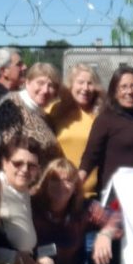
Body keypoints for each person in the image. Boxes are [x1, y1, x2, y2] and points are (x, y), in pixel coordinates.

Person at [33, 158, 120, 264]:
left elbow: (117, 218)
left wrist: (106, 234)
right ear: (45, 182)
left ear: (75, 187)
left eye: (67, 180)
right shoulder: (33, 206)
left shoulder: (84, 208)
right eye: (55, 180)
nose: (61, 185)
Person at [80, 66, 133, 199]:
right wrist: (76, 186)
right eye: (123, 87)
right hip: (113, 194)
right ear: (114, 92)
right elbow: (90, 157)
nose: (129, 91)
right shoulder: (105, 119)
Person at [50, 64, 103, 197]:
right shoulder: (54, 110)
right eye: (80, 82)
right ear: (70, 85)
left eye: (90, 83)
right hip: (59, 191)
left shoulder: (101, 115)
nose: (85, 88)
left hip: (92, 194)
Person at [0, 62, 61, 168]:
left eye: (51, 86)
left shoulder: (43, 114)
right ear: (27, 82)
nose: (45, 90)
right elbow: (7, 152)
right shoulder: (12, 107)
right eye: (40, 83)